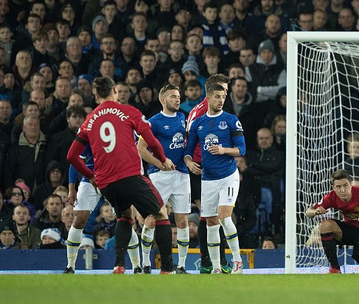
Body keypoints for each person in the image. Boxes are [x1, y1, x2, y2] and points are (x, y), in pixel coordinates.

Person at [67, 77, 176, 274]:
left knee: (125, 216)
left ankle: (119, 265)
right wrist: (163, 159)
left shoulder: (89, 120)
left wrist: (90, 175)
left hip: (106, 182)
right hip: (130, 176)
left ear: (96, 95)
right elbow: (151, 141)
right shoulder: (129, 112)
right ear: (115, 91)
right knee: (160, 214)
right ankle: (168, 268)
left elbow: (71, 156)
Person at [184, 82, 246, 274]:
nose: (221, 100)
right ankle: (216, 267)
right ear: (208, 98)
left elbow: (241, 149)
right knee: (210, 222)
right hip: (207, 179)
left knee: (224, 217)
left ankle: (237, 261)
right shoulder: (198, 124)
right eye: (217, 97)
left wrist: (223, 150)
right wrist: (188, 162)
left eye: (223, 97)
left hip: (228, 176)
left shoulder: (231, 120)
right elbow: (188, 150)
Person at [137, 84, 191, 274]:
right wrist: (160, 163)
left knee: (183, 220)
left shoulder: (183, 117)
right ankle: (145, 263)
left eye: (178, 96)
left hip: (182, 175)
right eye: (173, 96)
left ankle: (182, 265)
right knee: (152, 219)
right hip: (159, 176)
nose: (178, 99)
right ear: (163, 100)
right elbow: (140, 149)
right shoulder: (153, 122)